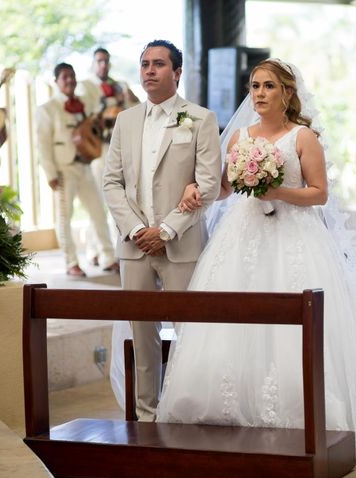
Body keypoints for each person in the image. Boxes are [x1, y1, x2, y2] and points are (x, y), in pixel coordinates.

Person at [156, 59, 356, 466]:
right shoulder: (239, 135)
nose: (259, 93)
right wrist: (196, 188)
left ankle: (305, 412)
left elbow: (319, 193)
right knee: (233, 320)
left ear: (287, 94)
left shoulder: (303, 136)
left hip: (296, 236)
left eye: (269, 87)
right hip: (243, 237)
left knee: (300, 324)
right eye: (255, 86)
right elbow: (224, 188)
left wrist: (277, 192)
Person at [103, 40, 222, 421]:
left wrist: (166, 229)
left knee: (191, 334)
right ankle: (147, 416)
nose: (149, 71)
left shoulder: (200, 118)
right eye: (144, 64)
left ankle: (189, 413)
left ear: (177, 72)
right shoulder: (125, 120)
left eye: (158, 64)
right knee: (141, 337)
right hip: (134, 247)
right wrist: (138, 229)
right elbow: (111, 183)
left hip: (182, 244)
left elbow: (207, 184)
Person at [36, 62, 119, 277]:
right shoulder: (47, 108)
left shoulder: (84, 103)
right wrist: (50, 174)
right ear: (56, 82)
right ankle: (70, 262)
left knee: (98, 211)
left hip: (86, 166)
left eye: (72, 75)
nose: (70, 80)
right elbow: (42, 144)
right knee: (65, 217)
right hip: (63, 170)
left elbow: (96, 120)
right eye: (65, 76)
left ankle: (108, 257)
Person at [80, 47, 141, 267]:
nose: (103, 65)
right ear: (93, 63)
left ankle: (99, 248)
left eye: (106, 61)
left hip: (118, 145)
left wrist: (129, 98)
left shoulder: (120, 85)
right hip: (98, 146)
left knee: (115, 197)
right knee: (99, 197)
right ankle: (95, 248)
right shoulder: (85, 87)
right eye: (99, 61)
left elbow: (136, 109)